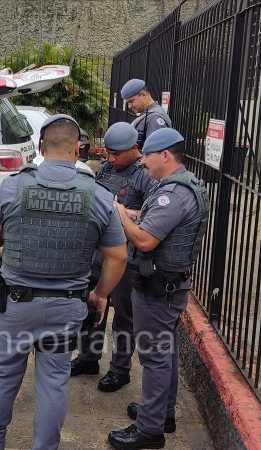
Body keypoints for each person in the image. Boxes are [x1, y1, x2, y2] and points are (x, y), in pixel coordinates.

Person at [0, 114, 128, 450]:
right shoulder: (97, 195)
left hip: (15, 306)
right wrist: (99, 295)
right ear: (78, 149)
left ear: (40, 147)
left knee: (2, 375)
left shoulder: (13, 185)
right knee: (53, 383)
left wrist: (13, 236)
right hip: (66, 307)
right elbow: (118, 256)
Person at [107, 128, 209, 449]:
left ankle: (149, 430)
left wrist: (122, 213)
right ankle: (162, 412)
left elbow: (145, 239)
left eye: (148, 155)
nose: (144, 161)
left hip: (156, 288)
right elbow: (157, 219)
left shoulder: (173, 194)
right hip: (168, 286)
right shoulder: (180, 186)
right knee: (166, 351)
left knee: (154, 357)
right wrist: (136, 213)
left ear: (165, 154)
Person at [71, 122, 155, 395]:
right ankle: (88, 358)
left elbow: (151, 216)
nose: (112, 158)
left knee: (124, 317)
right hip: (100, 251)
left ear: (134, 149)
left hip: (127, 256)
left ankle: (120, 370)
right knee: (93, 306)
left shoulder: (146, 176)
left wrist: (121, 211)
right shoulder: (105, 169)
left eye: (117, 153)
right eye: (108, 153)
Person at [120, 79, 172, 148]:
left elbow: (155, 153)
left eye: (131, 101)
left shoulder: (154, 118)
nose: (129, 106)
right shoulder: (148, 114)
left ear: (143, 94)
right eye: (128, 103)